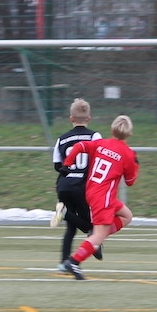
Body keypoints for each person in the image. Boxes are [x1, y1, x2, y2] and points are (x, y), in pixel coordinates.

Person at [58, 114, 139, 280]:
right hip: (104, 197)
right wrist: (135, 165)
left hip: (92, 191)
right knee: (98, 236)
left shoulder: (101, 143)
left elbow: (79, 146)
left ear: (112, 130)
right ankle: (73, 261)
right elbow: (130, 182)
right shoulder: (128, 154)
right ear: (130, 133)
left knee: (127, 216)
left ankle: (93, 236)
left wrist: (67, 164)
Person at [51, 98, 103, 265]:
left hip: (64, 185)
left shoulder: (61, 139)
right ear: (89, 118)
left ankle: (63, 263)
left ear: (71, 118)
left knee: (71, 228)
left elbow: (57, 165)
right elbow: (99, 159)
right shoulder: (94, 136)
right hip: (83, 186)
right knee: (92, 225)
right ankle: (94, 243)